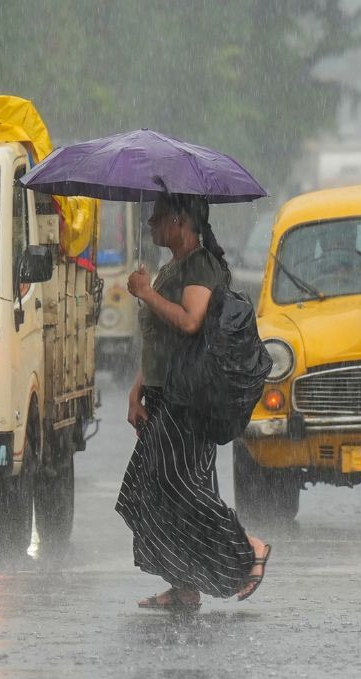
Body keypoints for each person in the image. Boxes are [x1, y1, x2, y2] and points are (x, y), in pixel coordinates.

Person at [116, 192, 271, 610]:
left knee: (180, 486)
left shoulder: (200, 265)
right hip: (161, 392)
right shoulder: (172, 267)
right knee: (151, 490)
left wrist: (146, 294)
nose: (150, 225)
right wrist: (136, 390)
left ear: (180, 221)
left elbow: (190, 321)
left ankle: (249, 548)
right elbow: (159, 341)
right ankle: (184, 584)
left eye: (157, 217)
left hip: (186, 399)